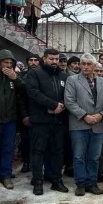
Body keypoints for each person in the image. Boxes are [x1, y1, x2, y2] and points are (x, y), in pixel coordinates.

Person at [23, 48, 70, 196]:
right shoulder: (34, 73)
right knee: (38, 151)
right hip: (40, 120)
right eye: (51, 59)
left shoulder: (63, 75)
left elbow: (69, 94)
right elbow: (33, 93)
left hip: (58, 120)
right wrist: (52, 105)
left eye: (56, 59)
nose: (54, 62)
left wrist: (61, 105)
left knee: (57, 151)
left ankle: (56, 180)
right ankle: (38, 182)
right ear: (44, 59)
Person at [64, 54, 103, 196]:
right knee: (79, 156)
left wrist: (101, 115)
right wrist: (85, 116)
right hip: (79, 124)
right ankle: (81, 183)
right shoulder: (72, 80)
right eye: (82, 64)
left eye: (88, 64)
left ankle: (92, 182)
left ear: (94, 66)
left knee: (94, 157)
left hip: (98, 125)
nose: (85, 67)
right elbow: (69, 101)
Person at [0, 50, 27, 190]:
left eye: (11, 63)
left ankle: (6, 176)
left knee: (8, 149)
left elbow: (25, 91)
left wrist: (16, 78)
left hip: (10, 119)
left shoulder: (14, 76)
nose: (8, 65)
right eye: (5, 62)